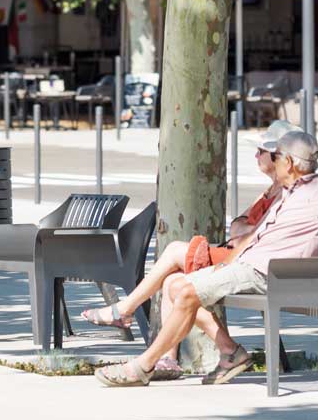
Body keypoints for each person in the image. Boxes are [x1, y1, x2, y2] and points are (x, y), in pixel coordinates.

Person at [94, 131, 318, 387]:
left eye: (275, 157)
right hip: (249, 266)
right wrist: (228, 263)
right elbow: (254, 239)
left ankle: (142, 366)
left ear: (289, 162)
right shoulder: (287, 193)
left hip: (271, 274)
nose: (273, 162)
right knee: (175, 284)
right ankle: (231, 352)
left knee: (187, 290)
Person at [80, 119, 300, 380]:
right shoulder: (270, 191)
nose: (256, 155)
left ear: (279, 156)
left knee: (174, 251)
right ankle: (185, 357)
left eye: (262, 151)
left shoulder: (286, 192)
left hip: (247, 260)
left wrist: (243, 231)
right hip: (239, 253)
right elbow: (238, 226)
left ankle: (125, 310)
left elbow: (252, 233)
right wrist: (243, 228)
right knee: (173, 281)